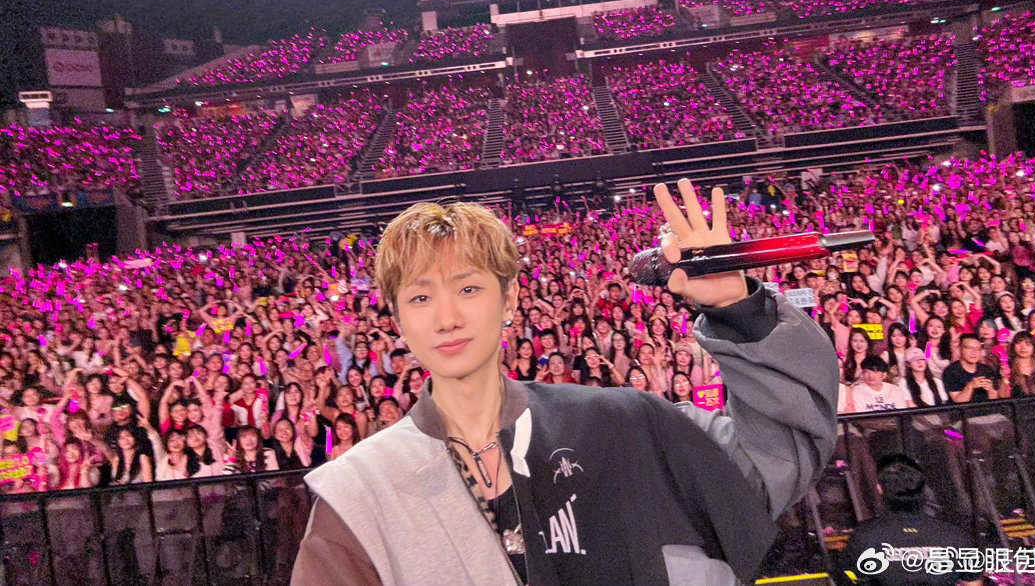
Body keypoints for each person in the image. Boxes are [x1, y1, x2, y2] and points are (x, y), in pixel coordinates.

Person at [292, 179, 839, 586]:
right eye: (419, 297)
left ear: (509, 298)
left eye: (468, 288)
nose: (446, 317)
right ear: (397, 318)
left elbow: (776, 459)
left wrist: (738, 309)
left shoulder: (624, 424)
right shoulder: (359, 494)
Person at [840, 454, 983, 586]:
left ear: (880, 489)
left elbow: (848, 577)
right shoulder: (956, 536)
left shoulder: (863, 536)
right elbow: (973, 583)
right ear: (923, 489)